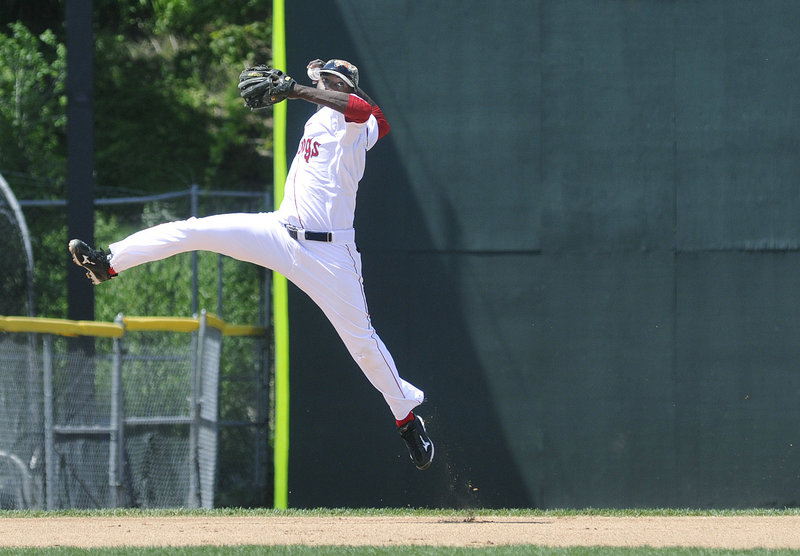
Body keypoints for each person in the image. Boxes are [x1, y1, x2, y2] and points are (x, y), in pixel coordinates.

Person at [68, 58, 434, 470]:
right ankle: (109, 263)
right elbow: (362, 109)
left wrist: (298, 88)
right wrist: (311, 82)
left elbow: (371, 114)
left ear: (345, 88)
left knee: (363, 343)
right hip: (279, 232)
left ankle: (406, 420)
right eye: (323, 81)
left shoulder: (354, 123)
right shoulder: (318, 121)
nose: (324, 87)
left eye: (333, 83)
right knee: (195, 230)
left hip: (331, 255)